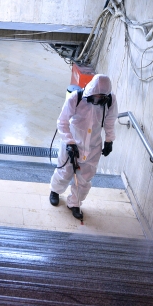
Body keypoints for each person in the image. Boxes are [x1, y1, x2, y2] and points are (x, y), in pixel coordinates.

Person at [49, 74, 118, 220]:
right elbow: (62, 122)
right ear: (91, 91)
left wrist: (109, 140)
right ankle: (55, 191)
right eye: (96, 96)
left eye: (101, 97)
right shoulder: (76, 98)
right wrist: (70, 142)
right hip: (73, 142)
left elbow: (110, 121)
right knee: (65, 171)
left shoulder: (110, 100)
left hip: (93, 146)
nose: (98, 100)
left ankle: (75, 203)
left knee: (85, 178)